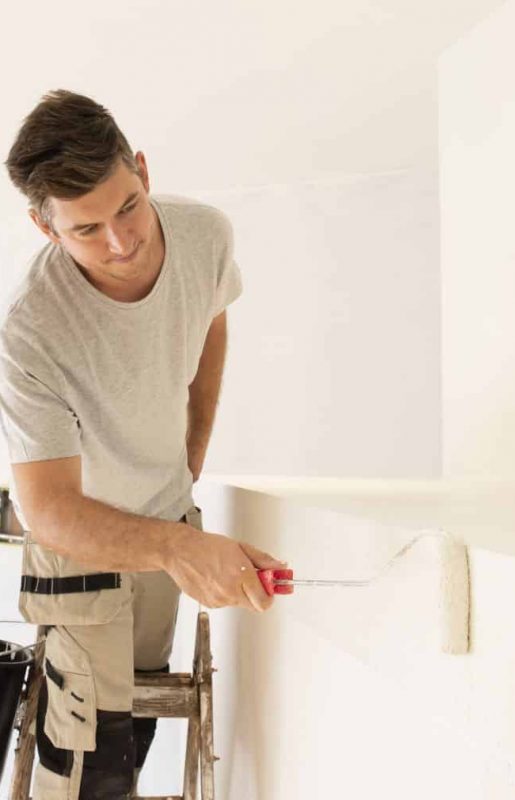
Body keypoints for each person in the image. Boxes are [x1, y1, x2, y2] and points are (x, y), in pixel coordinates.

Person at [0, 89, 286, 799]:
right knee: (89, 756)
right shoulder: (30, 331)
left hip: (165, 517)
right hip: (78, 547)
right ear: (46, 228)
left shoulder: (206, 235)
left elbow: (213, 320)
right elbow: (52, 513)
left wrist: (190, 463)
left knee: (138, 730)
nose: (121, 242)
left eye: (127, 206)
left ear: (145, 171)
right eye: (88, 229)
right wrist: (182, 547)